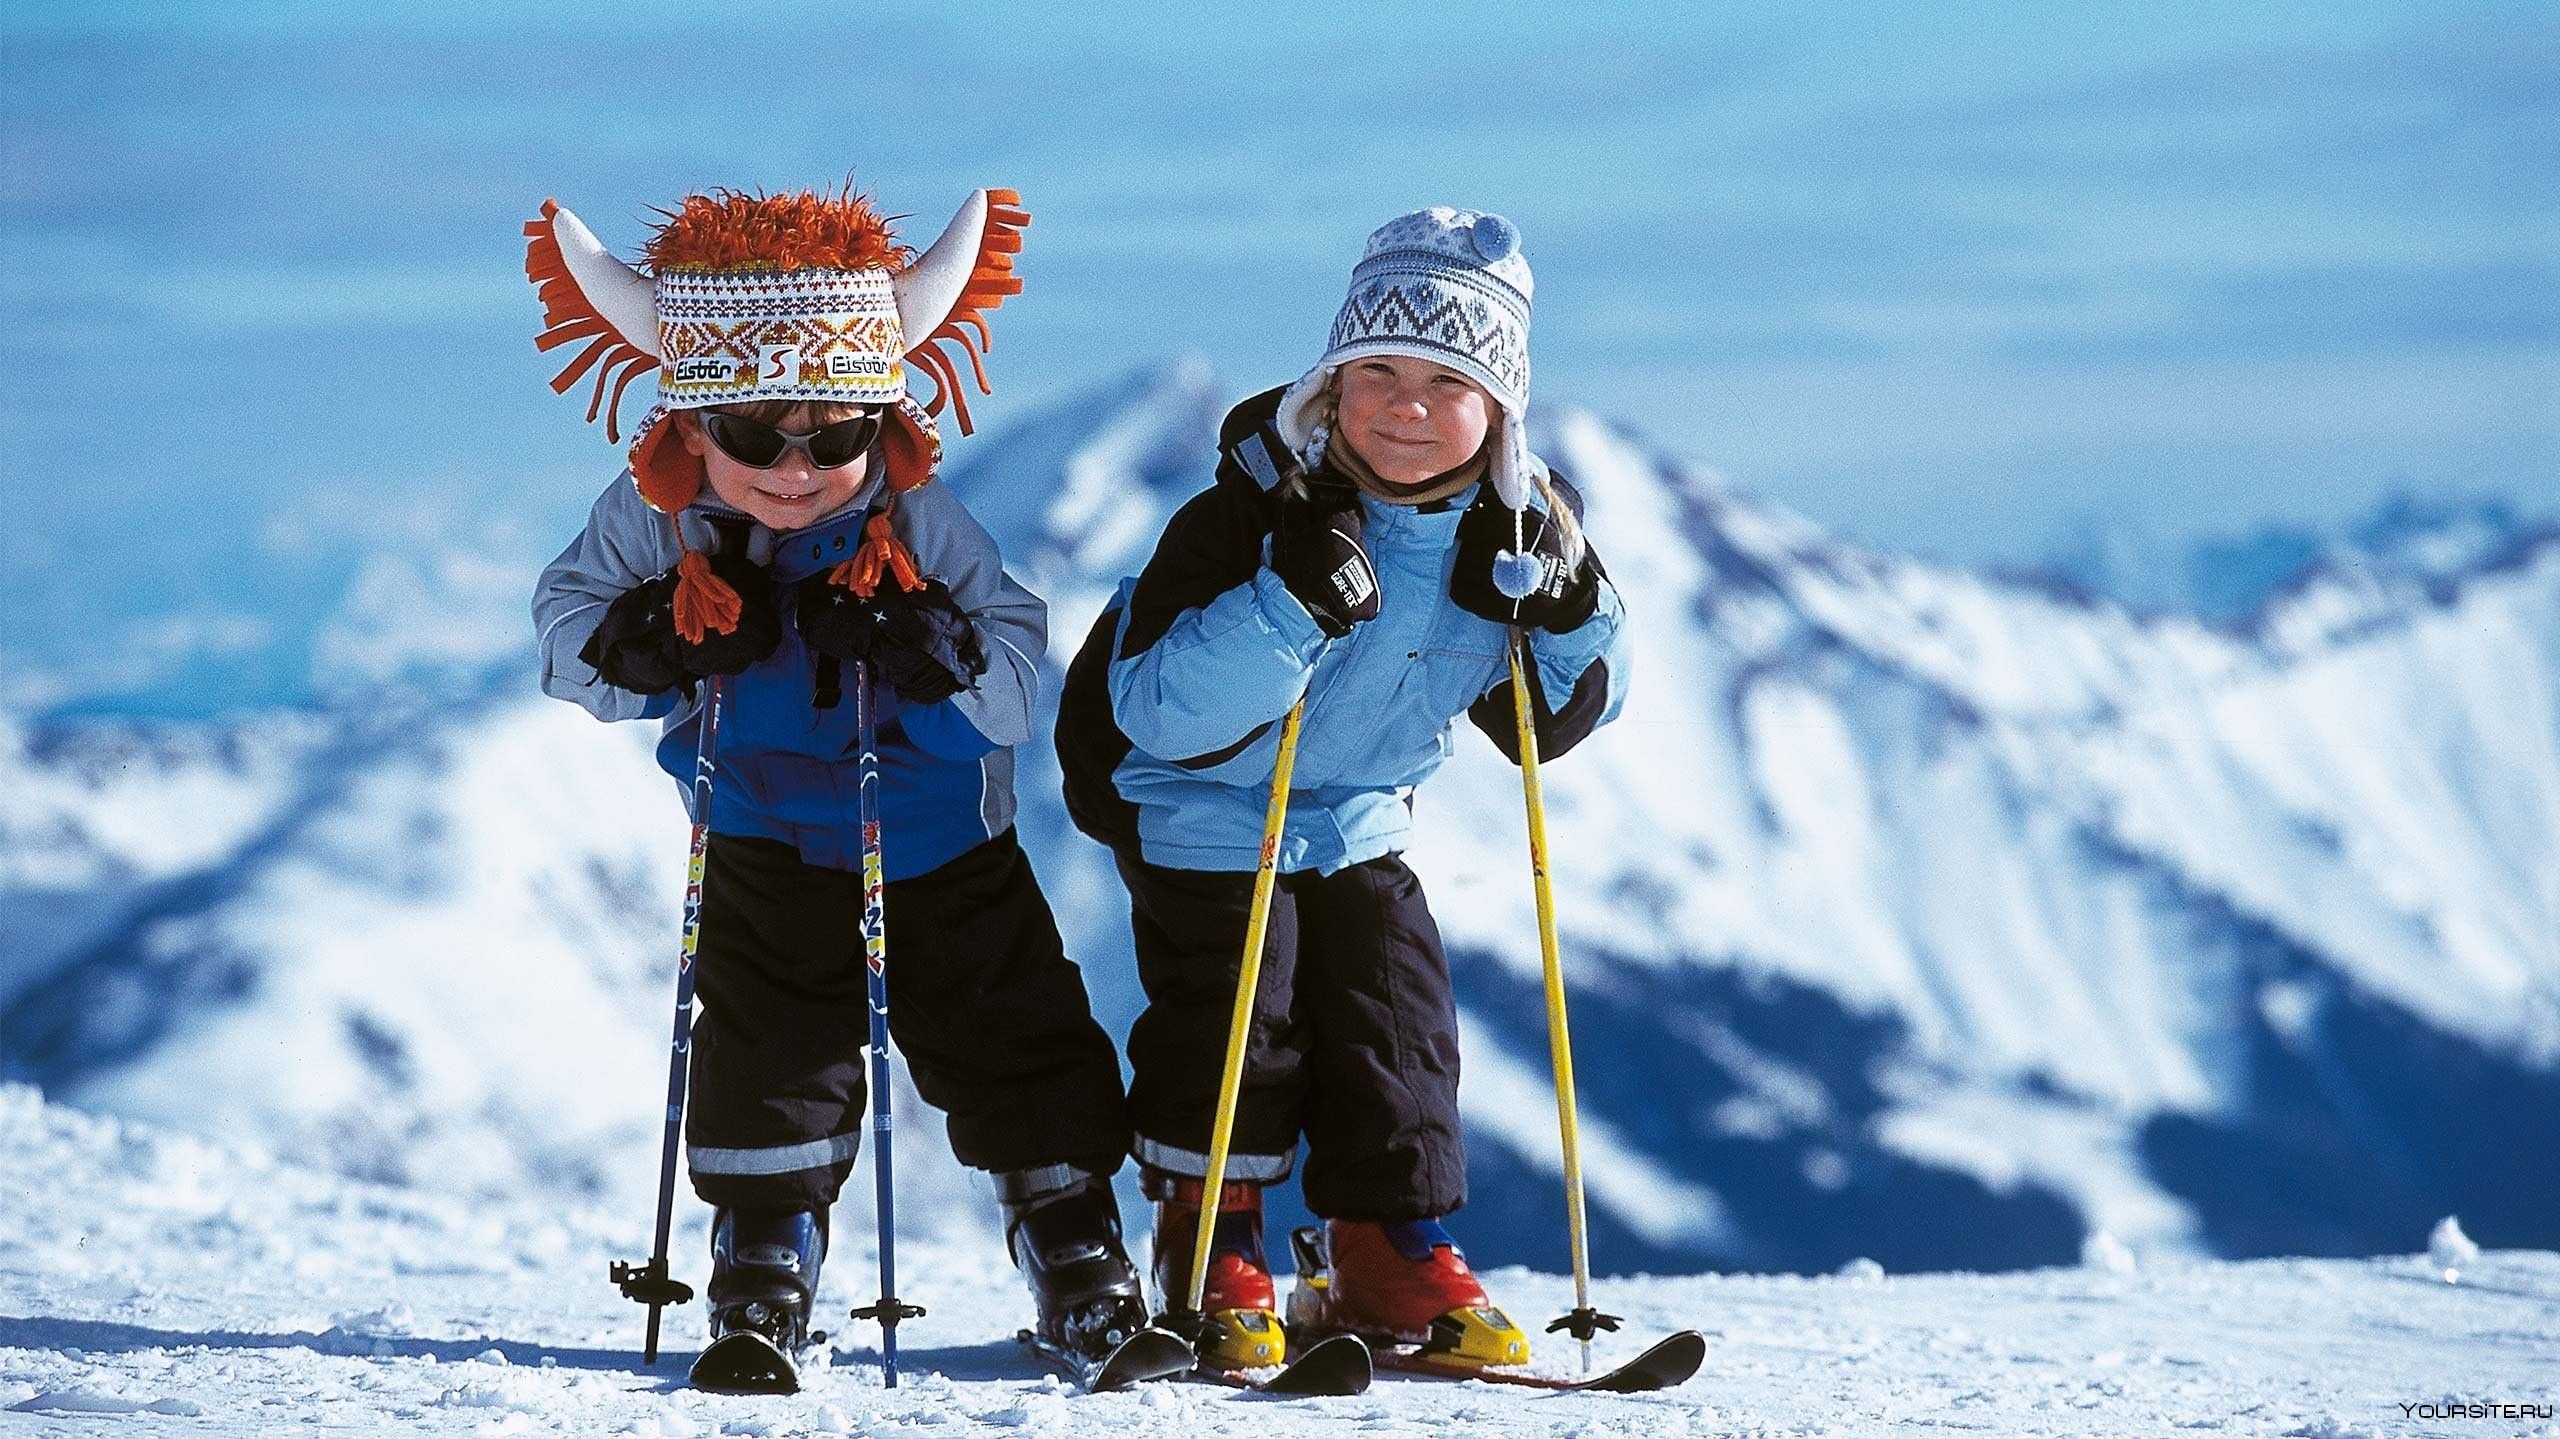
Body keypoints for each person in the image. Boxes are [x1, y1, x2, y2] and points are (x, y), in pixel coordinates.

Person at [525, 184, 1144, 1363]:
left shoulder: (917, 517)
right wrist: (654, 635)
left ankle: (1072, 1240)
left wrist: (939, 653)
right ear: (693, 425)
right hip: (757, 835)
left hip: (941, 844)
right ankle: (763, 1250)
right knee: (768, 1044)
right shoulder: (656, 518)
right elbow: (567, 638)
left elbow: (1016, 680)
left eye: (838, 431)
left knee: (1010, 1036)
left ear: (882, 422)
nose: (798, 468)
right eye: (758, 434)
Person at [1057, 207, 1630, 1368]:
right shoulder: (1246, 518)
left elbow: (1551, 720)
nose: (1405, 405)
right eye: (1375, 369)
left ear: (1500, 408)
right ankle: (1208, 1232)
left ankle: (1385, 1239)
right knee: (1235, 1011)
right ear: (1330, 383)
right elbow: (1158, 707)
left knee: (1396, 1012)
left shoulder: (1517, 535)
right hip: (1208, 808)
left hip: (1363, 811)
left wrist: (1569, 610)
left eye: (1445, 380)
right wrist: (1293, 606)